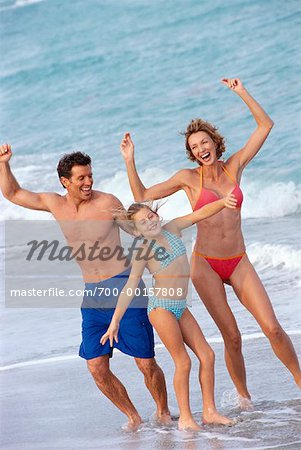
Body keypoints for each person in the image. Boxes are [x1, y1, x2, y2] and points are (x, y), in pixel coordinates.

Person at [119, 78, 301, 408]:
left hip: (238, 260)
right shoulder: (189, 179)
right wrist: (130, 160)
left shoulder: (235, 166)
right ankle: (244, 399)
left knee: (273, 328)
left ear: (215, 142)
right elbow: (142, 196)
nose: (201, 148)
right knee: (232, 336)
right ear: (191, 154)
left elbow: (266, 125)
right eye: (194, 146)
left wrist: (241, 92)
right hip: (206, 266)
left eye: (205, 141)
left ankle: (300, 382)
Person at [0, 144, 171, 431]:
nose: (88, 182)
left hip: (123, 286)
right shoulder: (55, 204)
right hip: (92, 294)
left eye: (90, 176)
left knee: (145, 362)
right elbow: (12, 193)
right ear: (65, 182)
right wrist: (4, 164)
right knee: (96, 366)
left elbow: (136, 228)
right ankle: (133, 416)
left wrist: (158, 234)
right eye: (81, 178)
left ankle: (163, 412)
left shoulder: (107, 203)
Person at [101, 193, 237, 430]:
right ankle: (185, 418)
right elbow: (130, 287)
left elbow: (199, 213)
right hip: (161, 308)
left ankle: (209, 411)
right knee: (183, 361)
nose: (150, 221)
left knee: (207, 355)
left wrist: (223, 202)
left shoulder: (172, 228)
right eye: (143, 221)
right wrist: (115, 322)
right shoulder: (144, 250)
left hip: (180, 307)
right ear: (137, 230)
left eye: (151, 215)